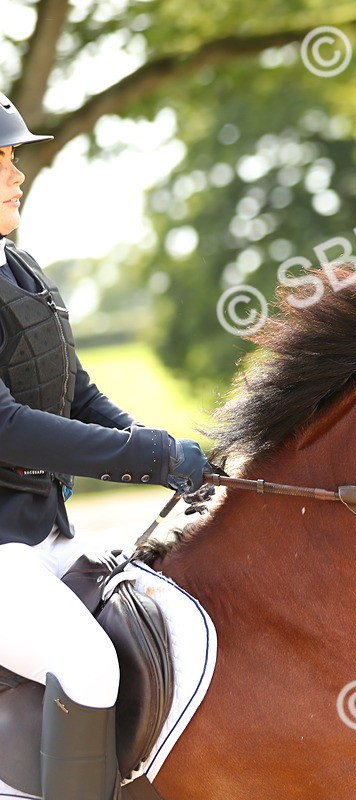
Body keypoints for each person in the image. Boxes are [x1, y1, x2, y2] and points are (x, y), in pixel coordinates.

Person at [0, 91, 210, 800]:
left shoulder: (18, 270)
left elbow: (76, 396)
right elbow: (7, 428)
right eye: (2, 159)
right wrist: (148, 455)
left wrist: (172, 459)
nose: (17, 173)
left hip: (42, 537)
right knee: (88, 665)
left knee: (175, 624)